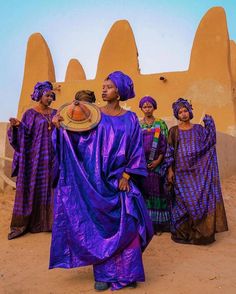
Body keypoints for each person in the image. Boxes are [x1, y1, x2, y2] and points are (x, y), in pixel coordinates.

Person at [49, 71, 153, 291]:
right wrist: (60, 128)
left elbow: (136, 148)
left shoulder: (131, 118)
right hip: (97, 181)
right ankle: (104, 275)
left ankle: (129, 272)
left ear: (120, 92)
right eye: (103, 86)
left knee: (129, 224)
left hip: (122, 180)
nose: (103, 89)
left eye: (109, 87)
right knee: (101, 228)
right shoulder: (94, 116)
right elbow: (79, 140)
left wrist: (127, 175)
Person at [165, 98, 228, 245]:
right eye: (180, 112)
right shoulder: (173, 131)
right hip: (181, 174)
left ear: (190, 112)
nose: (183, 114)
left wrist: (210, 124)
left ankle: (200, 234)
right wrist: (170, 170)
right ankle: (183, 233)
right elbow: (169, 152)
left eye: (185, 111)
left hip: (198, 174)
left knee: (198, 202)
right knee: (182, 203)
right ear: (177, 115)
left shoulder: (199, 129)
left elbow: (209, 142)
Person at [8, 81, 57, 240]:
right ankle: (32, 222)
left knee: (52, 187)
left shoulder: (56, 113)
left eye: (51, 95)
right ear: (39, 95)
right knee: (35, 186)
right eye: (47, 95)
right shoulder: (30, 114)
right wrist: (17, 127)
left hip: (53, 157)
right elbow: (25, 135)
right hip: (36, 159)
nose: (50, 98)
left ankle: (49, 223)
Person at [139, 96, 170, 233]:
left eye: (149, 106)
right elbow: (135, 146)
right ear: (141, 108)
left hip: (157, 166)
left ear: (154, 107)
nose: (147, 109)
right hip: (142, 166)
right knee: (145, 195)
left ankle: (158, 226)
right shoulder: (138, 125)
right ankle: (148, 225)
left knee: (158, 194)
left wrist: (158, 160)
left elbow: (166, 145)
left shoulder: (161, 124)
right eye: (144, 107)